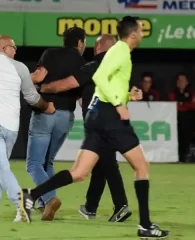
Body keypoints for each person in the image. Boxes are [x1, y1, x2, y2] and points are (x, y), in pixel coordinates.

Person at [18, 16, 169, 239]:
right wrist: (119, 104)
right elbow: (99, 77)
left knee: (79, 172)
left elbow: (104, 82)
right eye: (141, 31)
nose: (143, 35)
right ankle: (145, 226)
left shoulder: (115, 53)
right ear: (134, 34)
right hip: (109, 116)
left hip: (95, 116)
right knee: (141, 167)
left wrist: (127, 95)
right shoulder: (121, 51)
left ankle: (31, 196)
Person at [39, 34, 141, 222]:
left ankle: (121, 205)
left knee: (106, 164)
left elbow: (67, 84)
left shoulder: (95, 65)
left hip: (99, 121)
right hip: (114, 119)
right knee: (101, 163)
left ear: (98, 48)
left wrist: (44, 88)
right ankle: (91, 206)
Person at [0, 35, 55, 222]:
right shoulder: (19, 68)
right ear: (3, 48)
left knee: (0, 167)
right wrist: (47, 106)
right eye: (13, 47)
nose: (15, 50)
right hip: (11, 128)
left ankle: (22, 205)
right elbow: (32, 98)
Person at [26, 27, 89, 221]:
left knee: (34, 164)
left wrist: (21, 79)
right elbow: (82, 98)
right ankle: (45, 203)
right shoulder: (83, 63)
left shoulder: (50, 53)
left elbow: (37, 77)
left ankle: (50, 198)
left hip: (46, 112)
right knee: (47, 161)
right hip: (66, 117)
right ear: (79, 43)